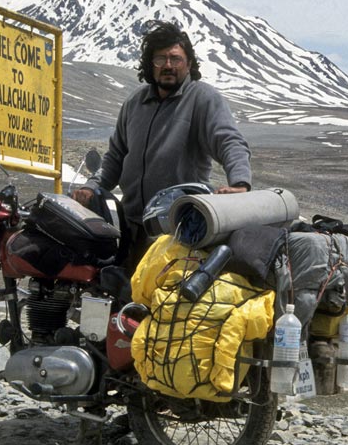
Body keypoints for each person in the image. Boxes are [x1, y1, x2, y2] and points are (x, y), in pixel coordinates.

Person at [73, 20, 251, 270]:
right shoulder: (135, 103)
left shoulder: (202, 98)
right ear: (150, 64)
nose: (168, 65)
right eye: (160, 59)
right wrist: (92, 187)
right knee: (116, 295)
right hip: (131, 226)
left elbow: (229, 141)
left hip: (177, 231)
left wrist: (240, 184)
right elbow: (115, 157)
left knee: (161, 305)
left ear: (188, 63)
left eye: (175, 58)